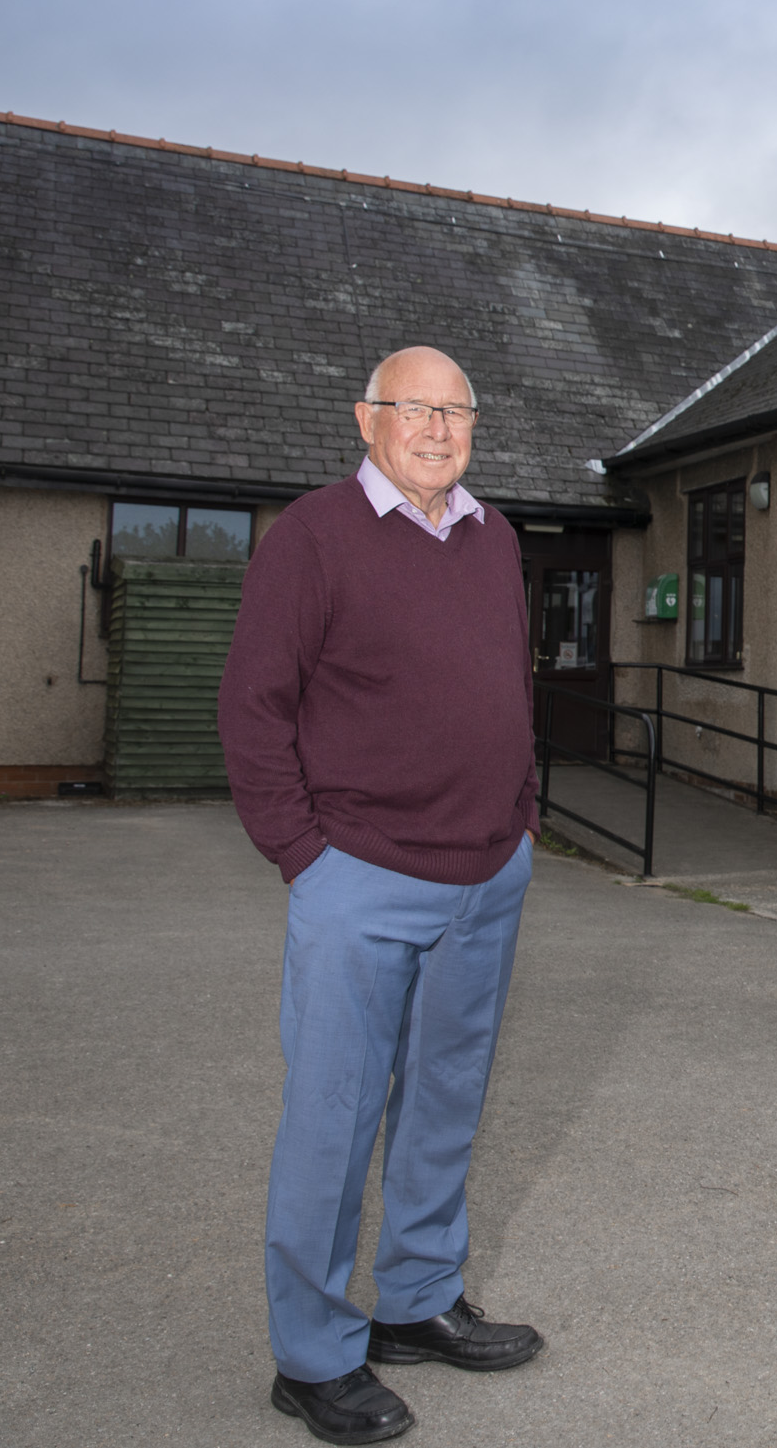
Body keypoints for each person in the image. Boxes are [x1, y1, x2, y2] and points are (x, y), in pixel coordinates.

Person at [219, 346, 547, 1447]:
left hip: (486, 872)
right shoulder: (310, 537)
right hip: (359, 875)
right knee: (333, 1119)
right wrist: (302, 854)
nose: (439, 429)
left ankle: (414, 1299)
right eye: (417, 409)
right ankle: (312, 1357)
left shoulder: (494, 535)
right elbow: (253, 708)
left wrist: (522, 809)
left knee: (446, 1101)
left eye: (457, 410)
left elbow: (506, 676)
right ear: (367, 418)